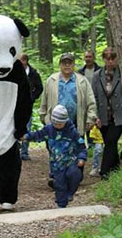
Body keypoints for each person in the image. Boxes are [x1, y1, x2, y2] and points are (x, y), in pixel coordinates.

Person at [40, 52, 97, 186]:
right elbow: (45, 100)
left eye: (69, 63)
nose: (67, 65)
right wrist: (43, 116)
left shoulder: (82, 81)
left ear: (74, 64)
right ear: (60, 64)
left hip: (75, 122)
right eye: (64, 63)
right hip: (55, 123)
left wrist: (90, 118)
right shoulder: (52, 80)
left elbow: (91, 102)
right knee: (55, 149)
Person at [22, 105, 86, 208]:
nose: (57, 125)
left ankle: (70, 192)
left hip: (71, 161)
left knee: (74, 175)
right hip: (56, 164)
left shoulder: (72, 132)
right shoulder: (49, 129)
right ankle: (61, 205)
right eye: (55, 123)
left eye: (60, 123)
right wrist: (27, 136)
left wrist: (82, 158)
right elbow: (39, 135)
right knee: (59, 185)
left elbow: (81, 146)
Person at [91, 47, 122, 179]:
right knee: (109, 143)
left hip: (119, 115)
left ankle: (105, 171)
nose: (111, 61)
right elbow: (93, 97)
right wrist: (95, 116)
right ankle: (116, 167)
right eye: (108, 58)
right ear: (104, 59)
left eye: (113, 58)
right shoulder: (97, 76)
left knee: (111, 140)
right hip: (103, 115)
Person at [19, 53, 44, 161]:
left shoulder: (33, 73)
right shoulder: (13, 72)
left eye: (21, 61)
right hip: (14, 104)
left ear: (25, 61)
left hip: (27, 105)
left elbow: (39, 87)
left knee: (27, 128)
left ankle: (24, 152)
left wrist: (32, 98)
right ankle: (15, 151)